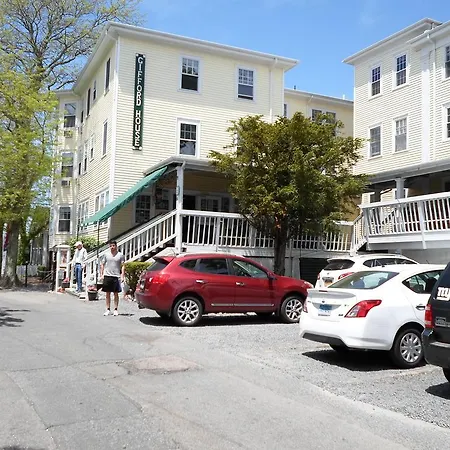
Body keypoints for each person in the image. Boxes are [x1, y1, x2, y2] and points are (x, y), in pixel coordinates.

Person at [99, 240, 125, 316]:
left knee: (116, 293)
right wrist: (102, 274)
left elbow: (123, 266)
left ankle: (115, 309)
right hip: (107, 275)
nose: (112, 247)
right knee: (107, 293)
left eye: (113, 246)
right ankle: (107, 309)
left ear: (116, 246)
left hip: (116, 276)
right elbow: (102, 264)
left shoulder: (120, 255)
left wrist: (122, 276)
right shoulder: (106, 255)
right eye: (111, 246)